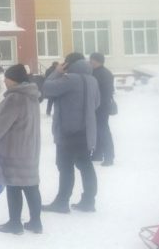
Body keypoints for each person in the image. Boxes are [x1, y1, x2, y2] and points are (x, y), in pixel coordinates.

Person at [0, 64, 43, 235]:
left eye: (7, 78)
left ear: (14, 79)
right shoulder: (31, 96)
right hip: (29, 148)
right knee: (31, 186)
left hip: (14, 150)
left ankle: (15, 223)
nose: (4, 81)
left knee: (13, 186)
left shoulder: (14, 98)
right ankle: (36, 222)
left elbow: (1, 124)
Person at [42, 53, 100, 213]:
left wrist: (56, 72)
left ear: (69, 64)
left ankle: (62, 202)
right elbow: (97, 103)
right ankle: (89, 201)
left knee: (65, 167)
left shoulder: (70, 79)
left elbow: (46, 88)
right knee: (85, 165)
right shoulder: (92, 80)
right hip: (86, 131)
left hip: (68, 131)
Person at [89, 53, 115, 167]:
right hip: (100, 106)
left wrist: (97, 104)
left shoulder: (100, 74)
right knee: (97, 130)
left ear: (96, 61)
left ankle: (109, 156)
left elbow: (104, 92)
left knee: (103, 131)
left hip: (101, 107)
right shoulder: (101, 72)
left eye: (91, 60)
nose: (90, 62)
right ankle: (97, 154)